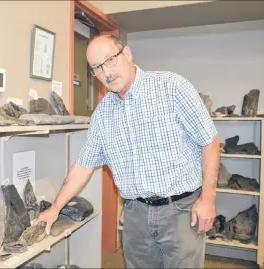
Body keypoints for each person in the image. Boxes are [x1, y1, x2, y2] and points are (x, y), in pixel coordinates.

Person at [33, 34, 220, 268]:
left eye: (110, 60)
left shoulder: (171, 87)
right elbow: (84, 165)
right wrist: (56, 207)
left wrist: (208, 199)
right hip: (135, 215)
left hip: (181, 211)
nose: (107, 72)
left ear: (128, 54)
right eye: (97, 68)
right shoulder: (102, 114)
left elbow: (209, 141)